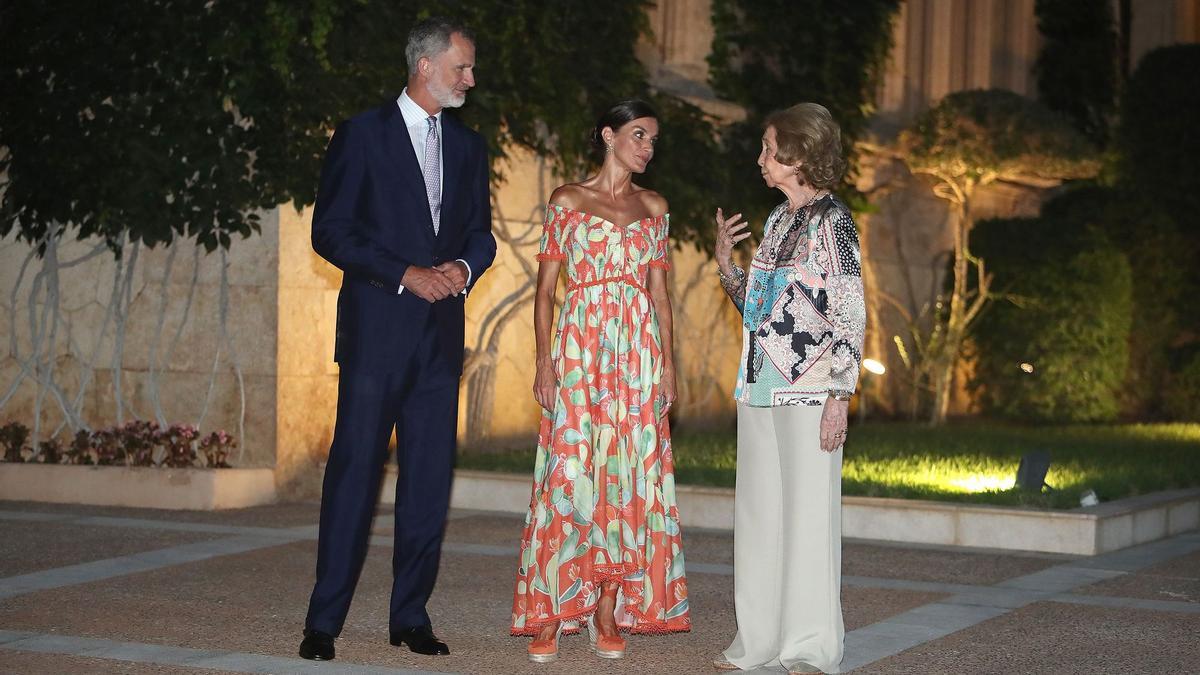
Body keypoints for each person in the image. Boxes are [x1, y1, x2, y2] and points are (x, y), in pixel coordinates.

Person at [297, 16, 495, 662]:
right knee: (354, 475)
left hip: (440, 343)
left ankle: (410, 615)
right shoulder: (361, 135)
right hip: (376, 336)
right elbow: (330, 231)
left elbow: (480, 235)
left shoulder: (469, 148)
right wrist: (406, 273)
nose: (470, 78)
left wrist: (462, 270)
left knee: (428, 484)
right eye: (462, 67)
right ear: (425, 67)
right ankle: (323, 621)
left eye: (469, 68)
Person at [510, 100, 691, 663]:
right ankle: (553, 606)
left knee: (627, 477)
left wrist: (668, 367)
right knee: (568, 470)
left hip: (635, 357)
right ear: (609, 136)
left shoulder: (654, 207)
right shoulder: (568, 201)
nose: (647, 147)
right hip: (580, 351)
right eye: (639, 135)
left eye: (653, 140)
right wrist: (544, 363)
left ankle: (607, 608)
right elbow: (545, 292)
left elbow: (660, 297)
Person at [712, 103, 865, 674]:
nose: (761, 159)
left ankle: (808, 647)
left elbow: (850, 313)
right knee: (758, 518)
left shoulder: (835, 222)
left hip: (810, 392)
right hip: (758, 388)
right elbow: (755, 312)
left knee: (808, 521)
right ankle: (759, 641)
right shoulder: (777, 222)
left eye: (769, 148)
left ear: (797, 155)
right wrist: (727, 263)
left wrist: (839, 397)